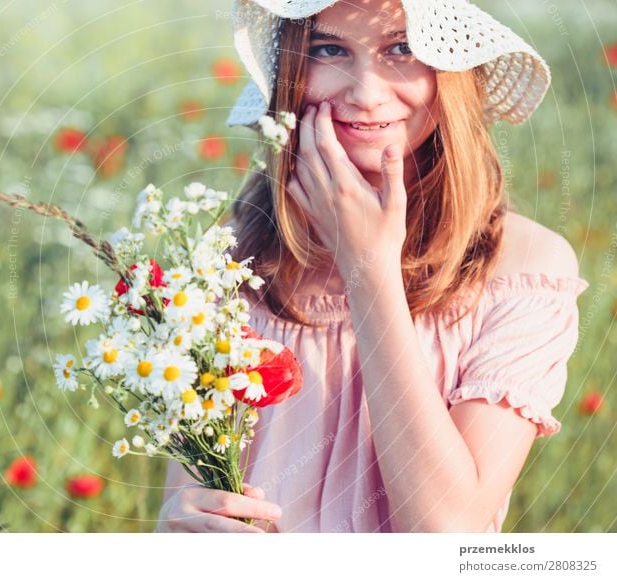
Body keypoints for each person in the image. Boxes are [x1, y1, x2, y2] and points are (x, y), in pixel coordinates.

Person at [155, 0, 589, 533]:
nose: (365, 93)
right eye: (329, 49)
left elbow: (444, 533)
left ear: (450, 70)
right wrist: (177, 526)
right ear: (292, 69)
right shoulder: (232, 256)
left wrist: (367, 269)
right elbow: (193, 491)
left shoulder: (521, 266)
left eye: (402, 49)